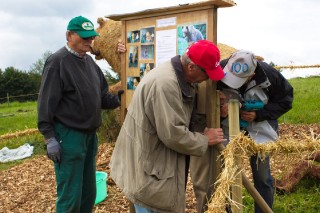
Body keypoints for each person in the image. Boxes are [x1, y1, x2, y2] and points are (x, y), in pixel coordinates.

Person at [110, 40, 227, 213]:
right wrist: (204, 140)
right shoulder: (166, 85)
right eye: (207, 73)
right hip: (148, 169)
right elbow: (173, 134)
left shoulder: (176, 76)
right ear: (191, 67)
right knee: (149, 205)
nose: (208, 79)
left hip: (147, 161)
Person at [37, 15, 123, 213]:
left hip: (89, 137)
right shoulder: (57, 62)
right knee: (70, 196)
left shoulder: (90, 64)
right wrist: (50, 138)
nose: (89, 41)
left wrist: (123, 96)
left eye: (91, 37)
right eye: (84, 37)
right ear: (69, 35)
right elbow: (45, 104)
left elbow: (102, 97)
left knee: (88, 194)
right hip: (68, 137)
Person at [218, 50, 294, 212]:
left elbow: (285, 100)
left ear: (252, 75)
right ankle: (231, 210)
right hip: (229, 126)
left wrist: (259, 114)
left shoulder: (269, 75)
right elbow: (208, 97)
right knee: (229, 174)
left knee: (262, 175)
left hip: (260, 128)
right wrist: (219, 109)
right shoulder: (222, 69)